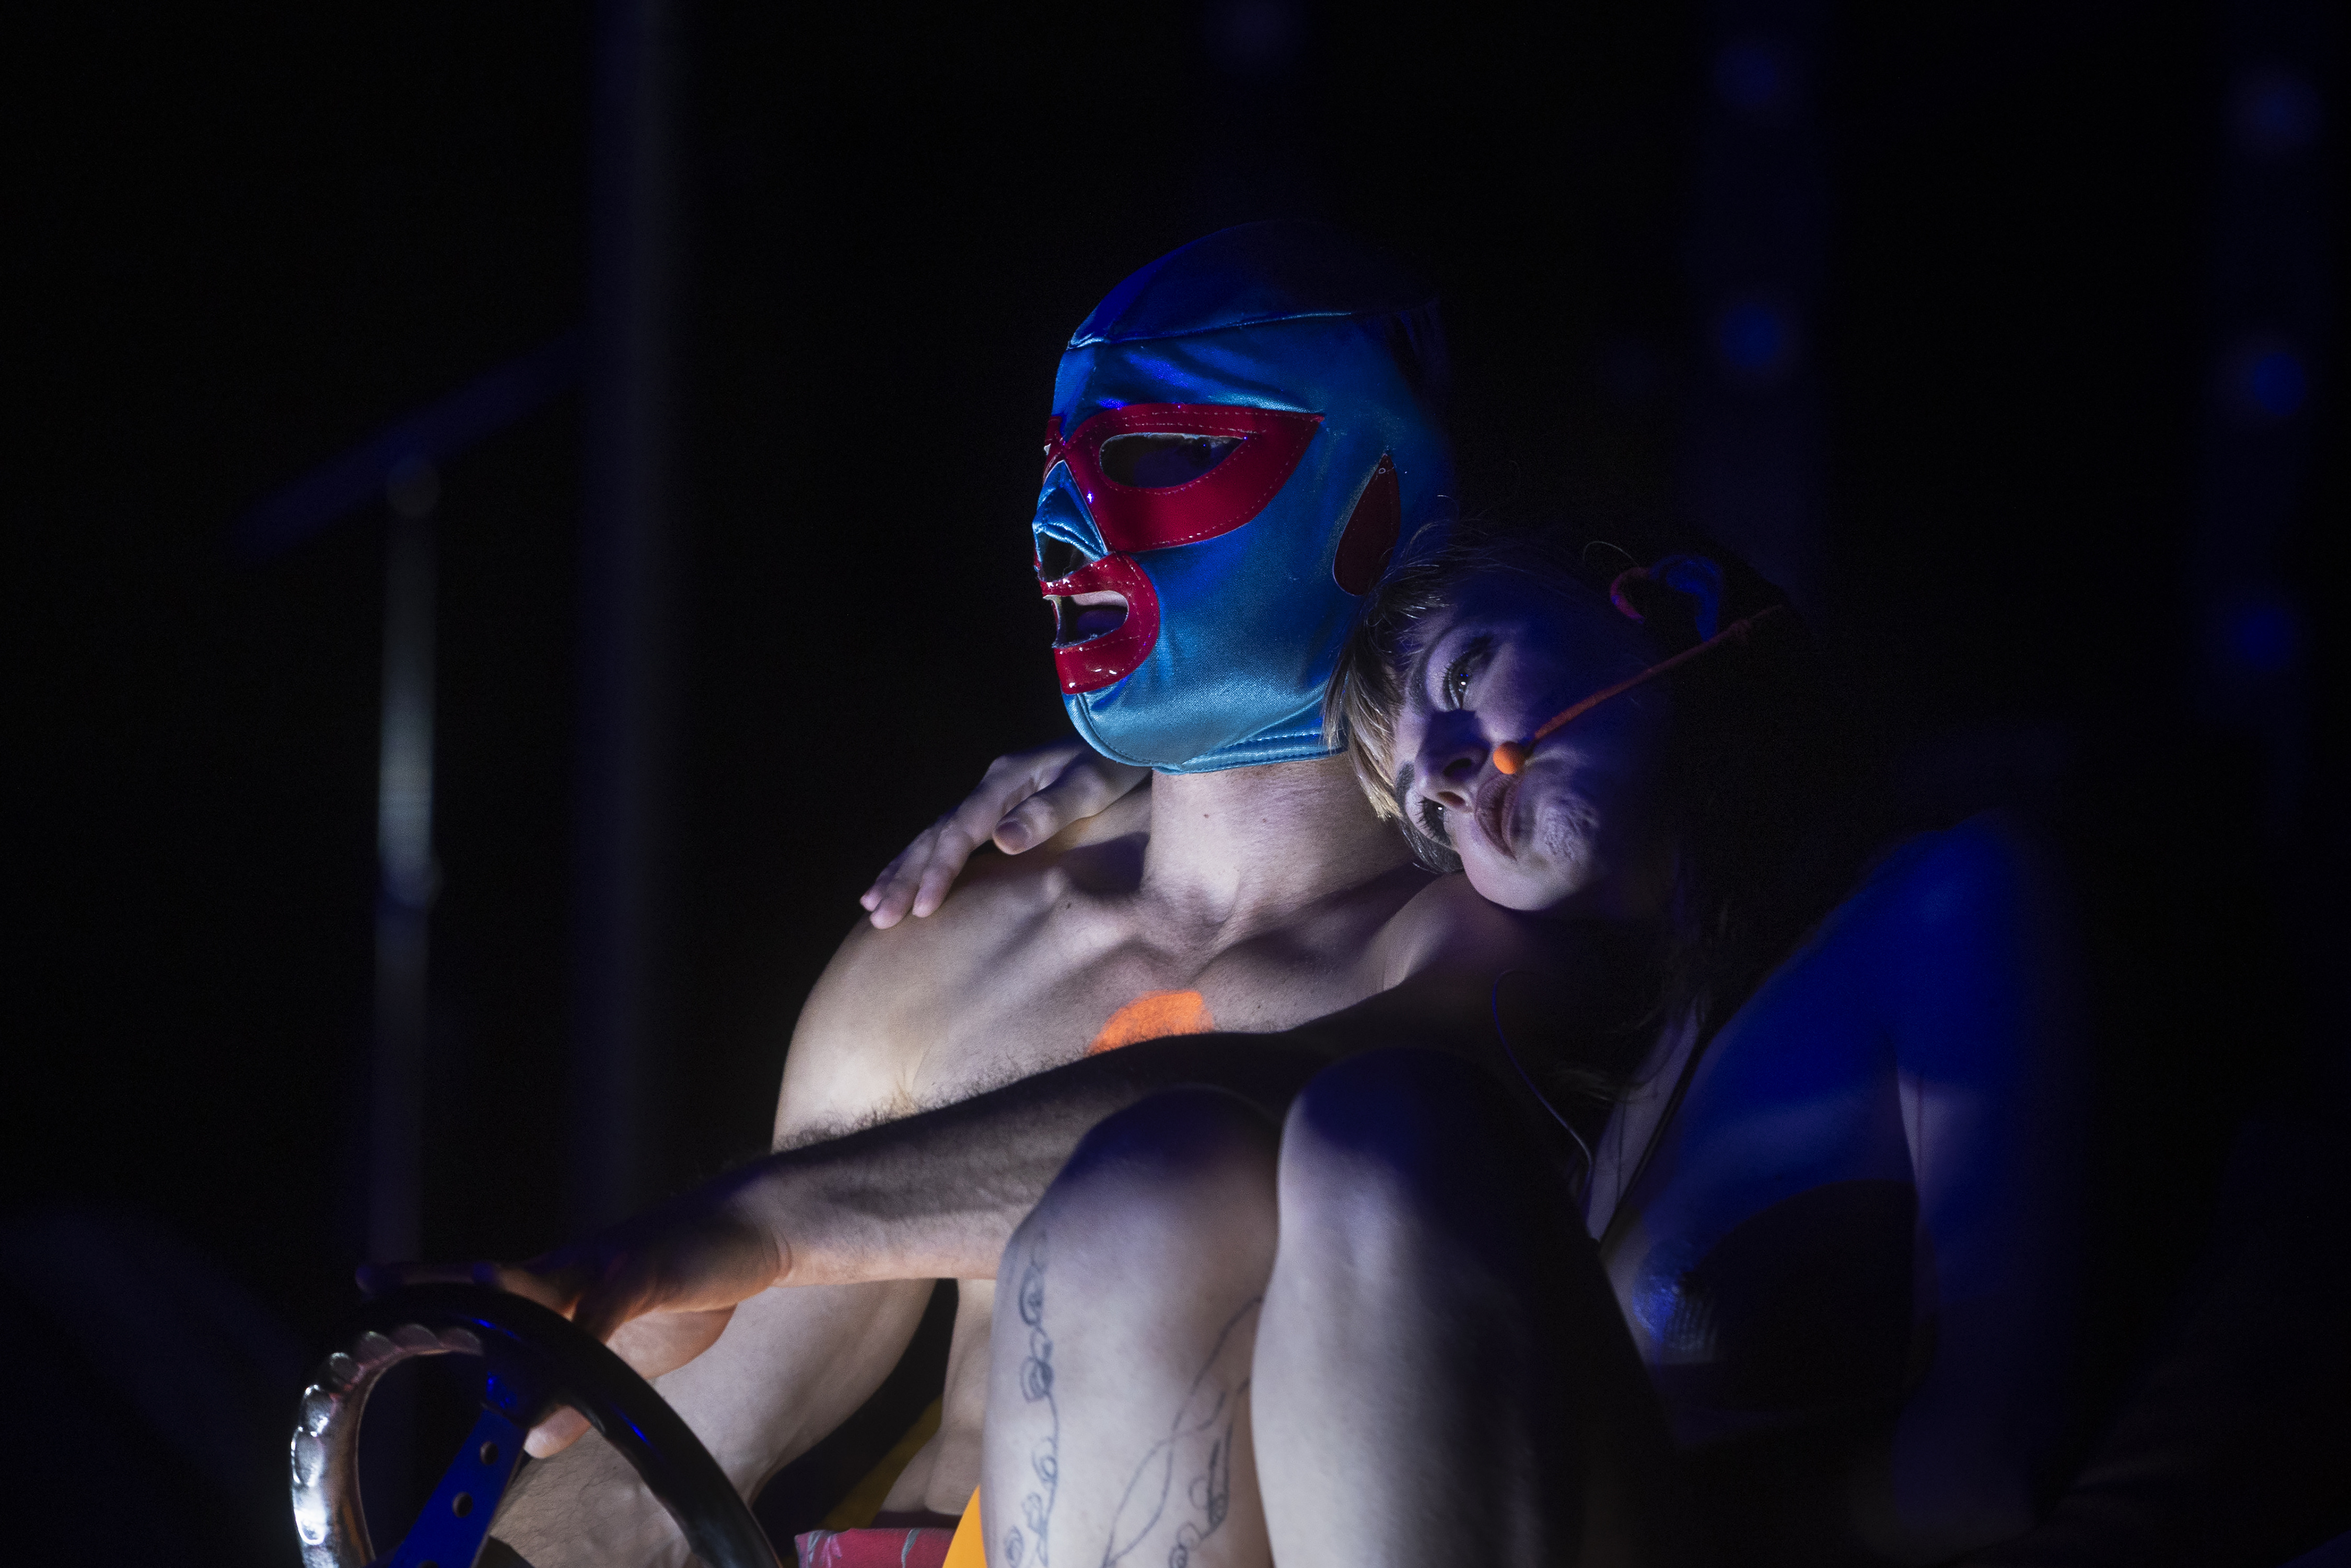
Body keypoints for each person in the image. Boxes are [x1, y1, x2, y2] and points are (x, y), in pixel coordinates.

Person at [412, 223, 1599, 1567]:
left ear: (1387, 486)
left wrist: (759, 1224)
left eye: (1156, 456)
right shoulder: (952, 947)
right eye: (1055, 469)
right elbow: (664, 1458)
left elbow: (1290, 1106)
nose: (1060, 527)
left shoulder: (1484, 942)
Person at [876, 526, 2087, 1565]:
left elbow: (1981, 1468)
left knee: (1376, 1120)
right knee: (1153, 1185)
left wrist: (1523, 1483)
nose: (1456, 777)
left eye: (1467, 673)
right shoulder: (1581, 1071)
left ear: (1675, 600)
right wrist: (1147, 785)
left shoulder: (1949, 903)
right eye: (1425, 809)